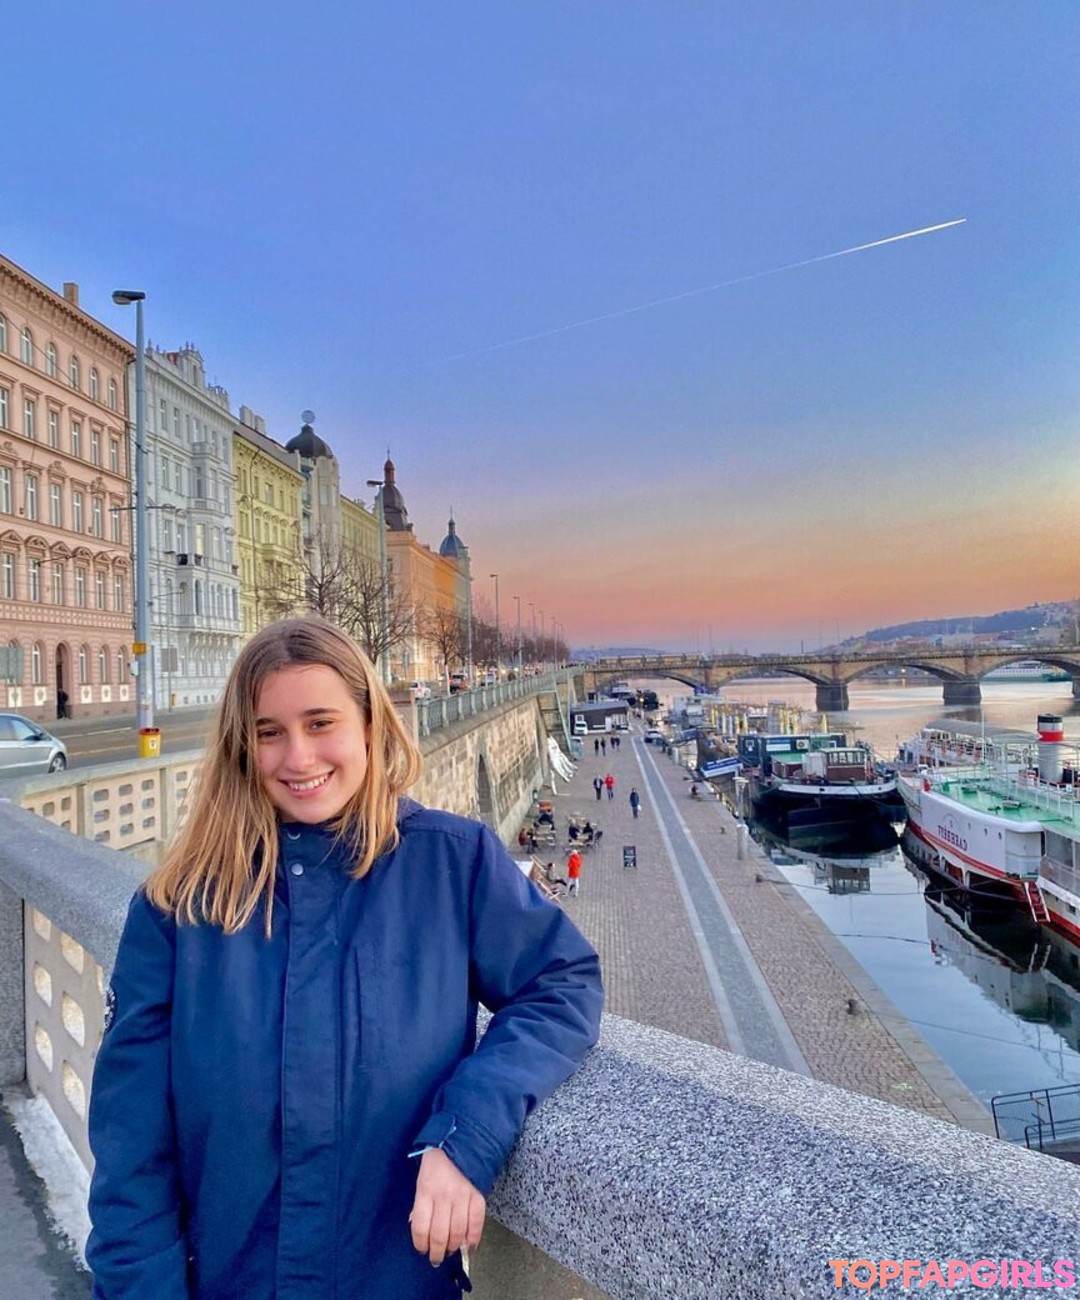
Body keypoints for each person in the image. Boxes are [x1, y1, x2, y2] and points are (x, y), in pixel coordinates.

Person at [86, 617, 603, 1300]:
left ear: (368, 724)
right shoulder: (178, 910)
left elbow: (561, 982)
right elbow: (130, 1154)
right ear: (242, 747)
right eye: (269, 732)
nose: (298, 757)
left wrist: (468, 1130)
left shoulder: (450, 864)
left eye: (320, 723)